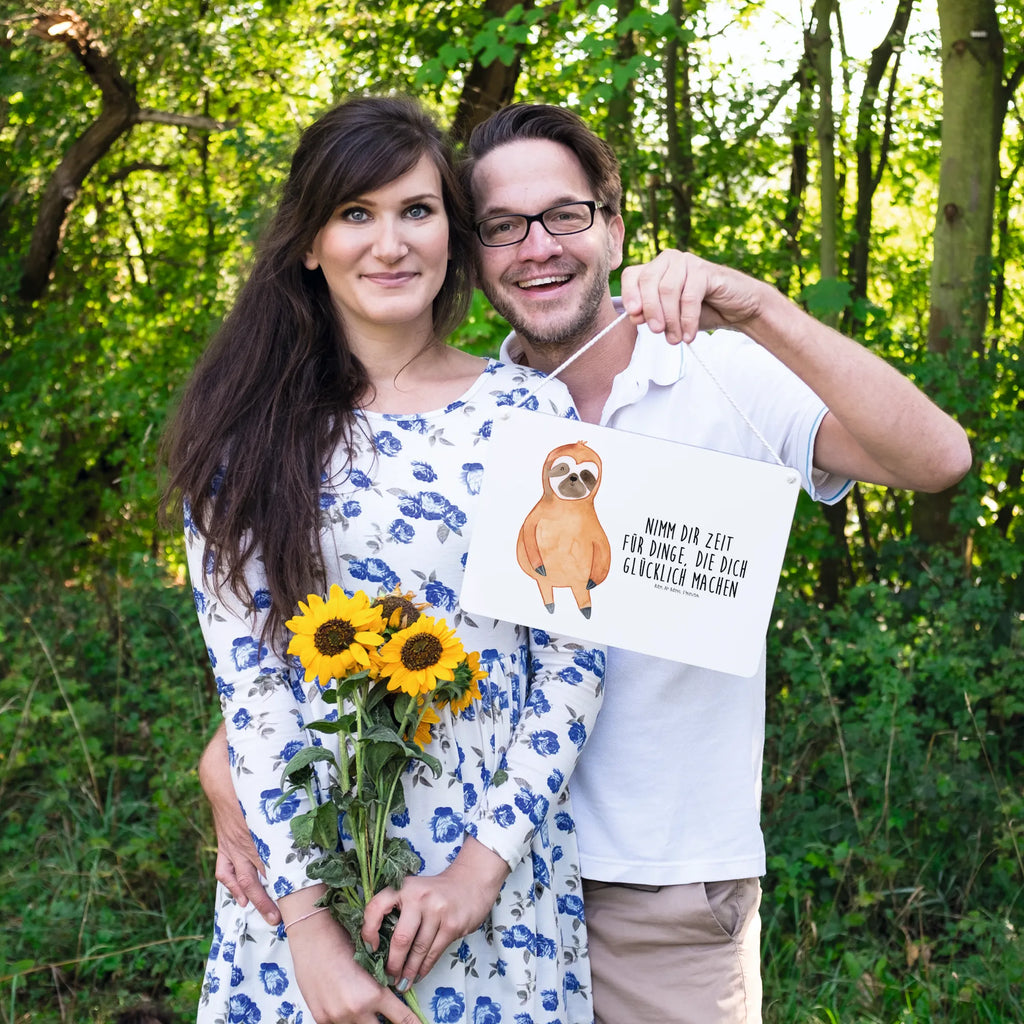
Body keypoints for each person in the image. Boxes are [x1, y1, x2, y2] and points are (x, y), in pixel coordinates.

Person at [201, 103, 972, 1024]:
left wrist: (757, 306)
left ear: (613, 227)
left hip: (649, 888)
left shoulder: (708, 375)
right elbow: (332, 627)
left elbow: (938, 459)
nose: (537, 247)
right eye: (503, 226)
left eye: (564, 215)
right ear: (474, 249)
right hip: (415, 872)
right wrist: (233, 758)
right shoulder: (463, 415)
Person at [162, 96, 609, 1024]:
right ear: (309, 243)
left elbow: (574, 660)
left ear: (453, 231)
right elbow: (253, 689)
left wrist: (478, 873)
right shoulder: (245, 437)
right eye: (355, 213)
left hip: (492, 882)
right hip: (303, 878)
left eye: (417, 210)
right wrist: (310, 934)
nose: (391, 243)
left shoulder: (530, 413)